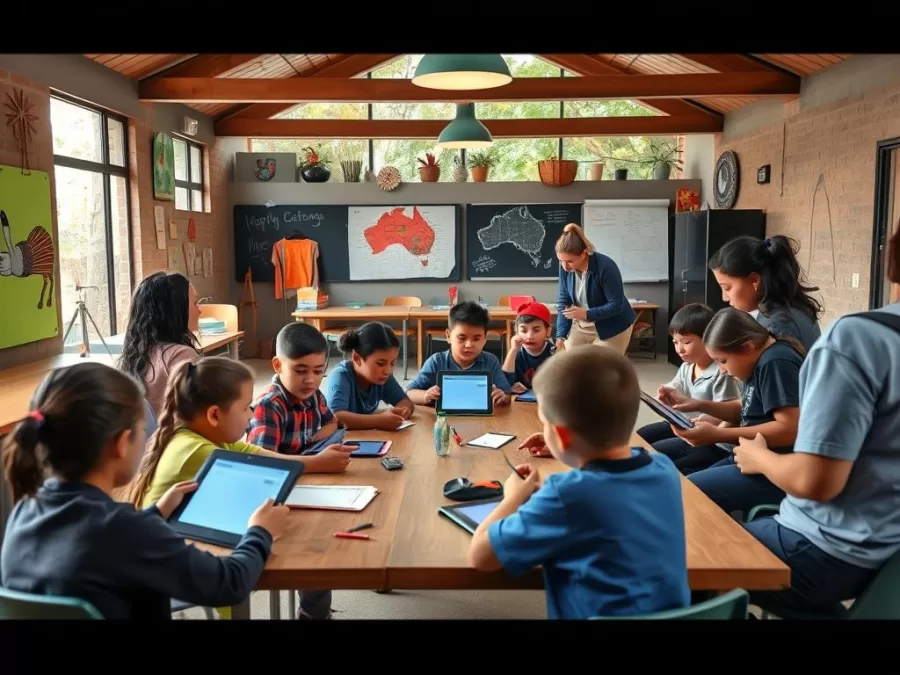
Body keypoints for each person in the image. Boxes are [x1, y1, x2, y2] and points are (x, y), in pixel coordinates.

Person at [0, 362, 287, 620]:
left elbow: (109, 546)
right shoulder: (126, 531)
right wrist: (259, 531)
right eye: (141, 429)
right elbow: (230, 584)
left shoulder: (24, 510)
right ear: (122, 443)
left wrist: (156, 513)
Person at [732, 228, 900, 614]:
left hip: (826, 548)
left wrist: (761, 459)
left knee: (688, 552)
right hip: (890, 555)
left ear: (891, 255)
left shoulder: (859, 340)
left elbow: (815, 481)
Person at [469, 347, 689, 619]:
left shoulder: (565, 494)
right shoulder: (664, 467)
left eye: (545, 424)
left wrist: (512, 497)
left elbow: (481, 557)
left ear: (562, 437)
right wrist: (570, 448)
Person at [129, 356, 345, 621]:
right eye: (246, 408)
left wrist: (316, 462)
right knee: (304, 547)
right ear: (214, 415)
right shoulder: (197, 450)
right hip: (178, 573)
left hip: (184, 549)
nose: (253, 414)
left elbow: (259, 453)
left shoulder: (208, 435)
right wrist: (314, 464)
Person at [668, 308, 803, 514]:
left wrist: (718, 435)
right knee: (687, 486)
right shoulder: (760, 356)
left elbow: (789, 429)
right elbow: (746, 407)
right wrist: (696, 404)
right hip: (750, 455)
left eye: (722, 361)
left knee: (691, 494)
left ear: (747, 348)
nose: (721, 369)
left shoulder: (776, 362)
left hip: (775, 467)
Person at [636, 303, 741, 460]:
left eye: (686, 342)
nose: (679, 349)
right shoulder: (687, 366)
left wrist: (709, 419)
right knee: (642, 436)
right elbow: (676, 384)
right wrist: (665, 391)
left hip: (710, 438)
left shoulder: (721, 372)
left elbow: (728, 411)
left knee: (657, 452)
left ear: (708, 339)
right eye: (675, 342)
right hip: (684, 423)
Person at [247, 323, 355, 475]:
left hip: (306, 466)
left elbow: (332, 422)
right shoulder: (268, 405)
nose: (310, 380)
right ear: (278, 365)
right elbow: (261, 464)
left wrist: (316, 439)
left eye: (318, 371)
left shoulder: (314, 394)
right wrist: (317, 462)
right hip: (280, 480)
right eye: (300, 371)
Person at [708, 234, 822, 352]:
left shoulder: (778, 326)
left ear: (754, 280)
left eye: (727, 288)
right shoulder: (791, 310)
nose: (724, 298)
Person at [118, 271, 201, 416]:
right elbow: (199, 414)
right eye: (194, 303)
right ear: (175, 309)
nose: (200, 310)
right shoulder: (181, 355)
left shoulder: (133, 355)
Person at [406, 301, 511, 407]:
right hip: (444, 420)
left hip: (481, 420)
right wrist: (425, 396)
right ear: (448, 336)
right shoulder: (436, 362)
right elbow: (409, 393)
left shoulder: (490, 361)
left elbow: (507, 394)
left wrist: (502, 396)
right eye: (462, 338)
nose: (469, 345)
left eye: (476, 338)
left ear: (484, 339)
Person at [554, 223, 636, 354]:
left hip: (612, 326)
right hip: (582, 325)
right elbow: (564, 302)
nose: (565, 266)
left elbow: (616, 305)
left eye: (569, 261)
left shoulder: (606, 267)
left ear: (583, 254)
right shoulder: (565, 265)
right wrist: (561, 335)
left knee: (602, 370)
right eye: (560, 261)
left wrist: (587, 314)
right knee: (571, 365)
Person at [325, 322, 415, 430]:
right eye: (380, 364)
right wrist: (379, 421)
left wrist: (403, 411)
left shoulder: (382, 377)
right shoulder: (341, 375)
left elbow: (405, 401)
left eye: (392, 363)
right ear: (357, 358)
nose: (388, 371)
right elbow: (337, 417)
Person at [501, 302, 556, 394]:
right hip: (522, 402)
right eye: (523, 330)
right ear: (517, 331)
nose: (529, 336)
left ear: (547, 331)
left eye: (536, 330)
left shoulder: (554, 352)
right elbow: (504, 384)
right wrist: (513, 351)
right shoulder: (517, 353)